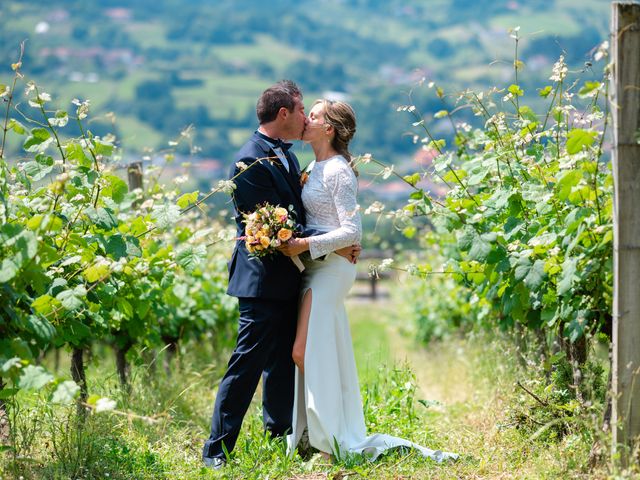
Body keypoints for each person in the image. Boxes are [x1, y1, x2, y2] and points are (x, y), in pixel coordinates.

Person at [278, 99, 458, 462]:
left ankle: (327, 445)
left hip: (330, 271)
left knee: (304, 351)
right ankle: (319, 435)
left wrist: (305, 244)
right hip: (317, 266)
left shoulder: (338, 171)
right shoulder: (314, 166)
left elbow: (351, 229)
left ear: (327, 129)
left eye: (312, 115)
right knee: (314, 351)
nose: (305, 119)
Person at [202, 81, 359, 470]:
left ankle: (281, 437)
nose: (306, 117)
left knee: (284, 365)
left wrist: (329, 243)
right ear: (284, 114)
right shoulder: (249, 161)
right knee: (247, 363)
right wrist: (333, 243)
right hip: (260, 279)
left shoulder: (294, 159)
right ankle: (216, 451)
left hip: (297, 275)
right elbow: (268, 227)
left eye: (313, 113)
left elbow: (302, 218)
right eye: (302, 110)